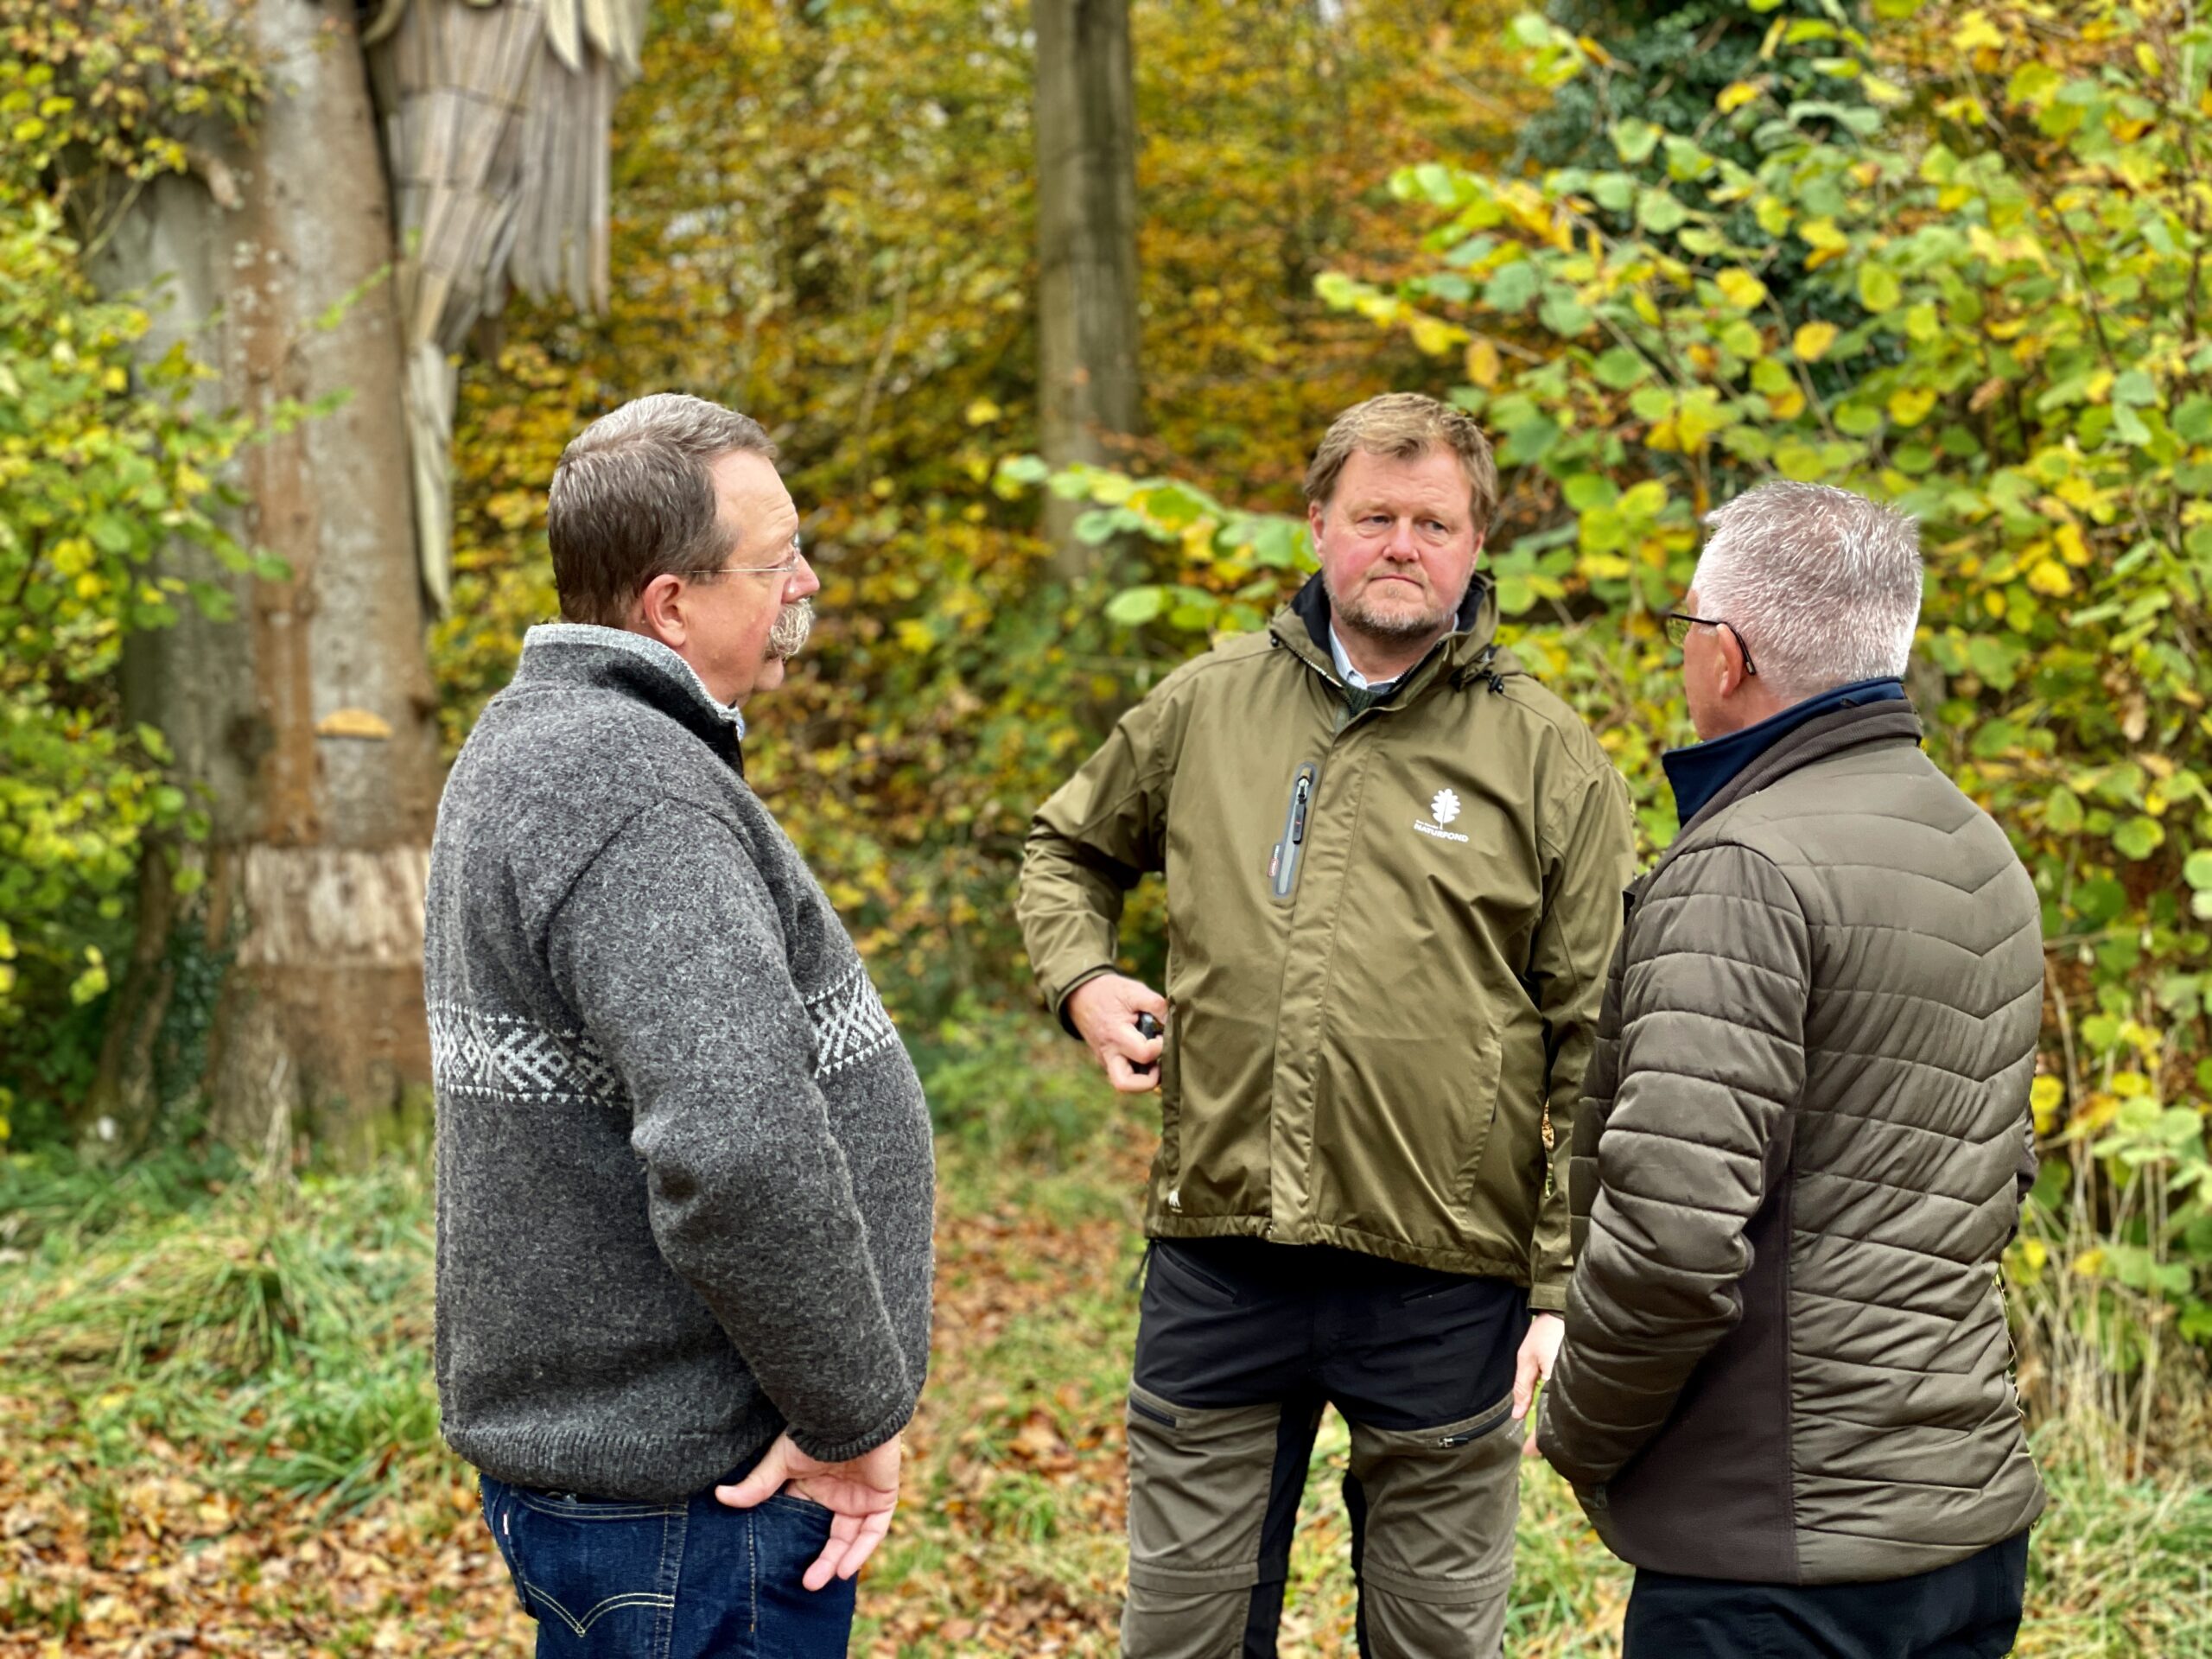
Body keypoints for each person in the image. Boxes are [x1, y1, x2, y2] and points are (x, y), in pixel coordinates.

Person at [1018, 392, 1636, 1656]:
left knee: (1435, 1642)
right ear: (1318, 528)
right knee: (1180, 1634)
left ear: (1473, 548)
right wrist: (1082, 978)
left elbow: (1601, 1037)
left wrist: (1562, 1288)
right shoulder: (1208, 706)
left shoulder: (1547, 755)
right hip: (1221, 1249)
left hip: (1447, 1272)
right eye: (1373, 517)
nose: (1401, 544)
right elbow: (1064, 850)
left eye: (1433, 522)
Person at [423, 393, 935, 1658]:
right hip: (700, 1505)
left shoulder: (534, 742)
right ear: (668, 604)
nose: (805, 583)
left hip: (642, 1495)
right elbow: (738, 1148)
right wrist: (852, 1416)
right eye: (776, 562)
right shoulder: (632, 790)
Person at [1535, 481, 2044, 1659]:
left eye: (1684, 631)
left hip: (1775, 1563)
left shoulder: (1744, 870)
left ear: (1726, 655)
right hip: (1963, 1528)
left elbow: (1669, 1239)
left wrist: (1583, 1431)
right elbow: (1992, 1178)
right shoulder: (1979, 849)